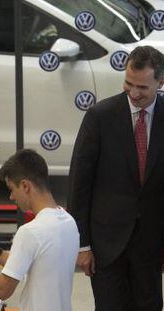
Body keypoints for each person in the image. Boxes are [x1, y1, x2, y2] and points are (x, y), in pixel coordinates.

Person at [68, 45, 164, 311]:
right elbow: (79, 184)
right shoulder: (100, 117)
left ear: (161, 81)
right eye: (128, 84)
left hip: (151, 246)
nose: (134, 93)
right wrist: (82, 244)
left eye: (143, 88)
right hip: (106, 246)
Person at [0, 149, 79, 311]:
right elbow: (30, 262)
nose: (11, 197)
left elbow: (3, 289)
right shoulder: (67, 221)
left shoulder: (30, 232)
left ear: (25, 186)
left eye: (12, 189)